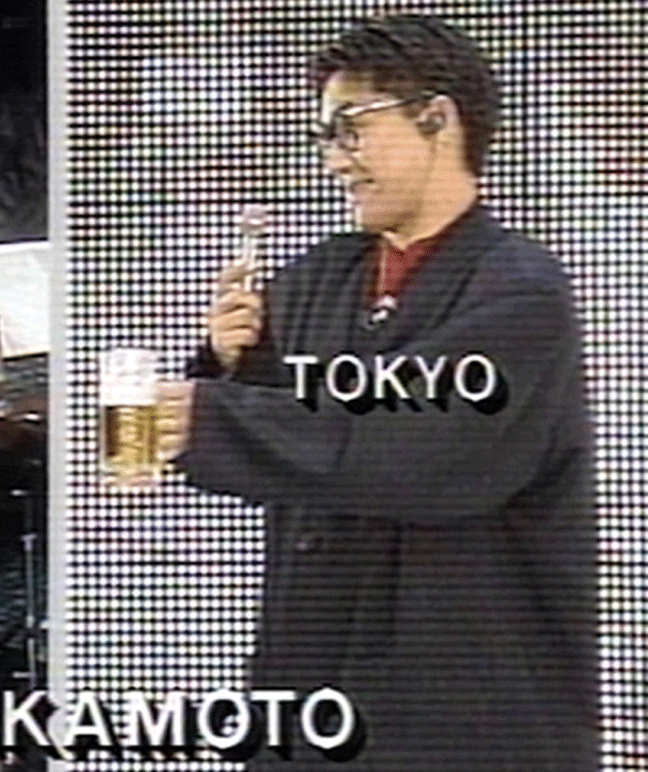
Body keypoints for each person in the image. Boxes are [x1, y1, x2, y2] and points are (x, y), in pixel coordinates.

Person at [158, 15, 595, 771]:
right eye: (324, 137)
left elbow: (413, 447)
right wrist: (224, 364)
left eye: (351, 129)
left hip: (466, 715)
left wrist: (204, 417)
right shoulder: (315, 279)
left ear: (438, 119)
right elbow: (291, 437)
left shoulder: (521, 293)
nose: (334, 160)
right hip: (314, 702)